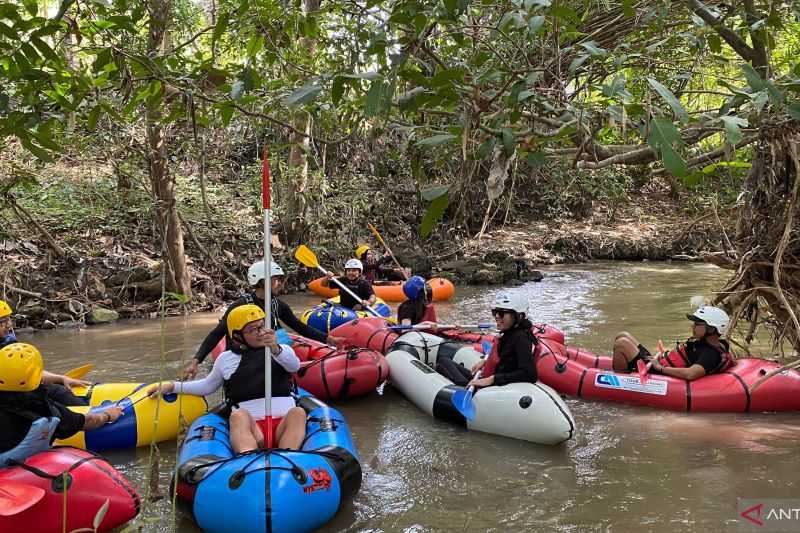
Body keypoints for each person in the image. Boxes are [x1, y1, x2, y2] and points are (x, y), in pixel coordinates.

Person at [150, 305, 306, 452]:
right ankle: (248, 458)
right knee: (238, 415)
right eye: (253, 330)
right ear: (237, 336)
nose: (260, 332)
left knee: (298, 412)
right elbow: (207, 386)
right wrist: (172, 386)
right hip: (252, 428)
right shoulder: (227, 359)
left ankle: (288, 457)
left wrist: (275, 349)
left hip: (283, 426)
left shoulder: (281, 351)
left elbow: (294, 366)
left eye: (262, 326)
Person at [184, 261, 343, 379]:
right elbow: (216, 334)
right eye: (276, 279)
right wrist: (196, 361)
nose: (280, 283)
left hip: (271, 349)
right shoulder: (240, 306)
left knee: (282, 338)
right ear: (261, 281)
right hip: (247, 355)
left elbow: (298, 326)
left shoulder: (278, 305)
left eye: (280, 279)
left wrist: (328, 338)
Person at [0, 343, 123, 465]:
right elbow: (87, 421)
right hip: (17, 469)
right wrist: (107, 415)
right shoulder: (48, 410)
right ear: (39, 378)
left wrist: (61, 378)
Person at [435, 293, 537, 388]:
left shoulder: (521, 338)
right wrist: (485, 362)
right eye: (495, 312)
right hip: (491, 377)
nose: (496, 316)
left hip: (492, 388)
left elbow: (529, 374)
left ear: (519, 316)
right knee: (443, 360)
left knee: (442, 364)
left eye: (501, 313)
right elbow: (508, 359)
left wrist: (492, 379)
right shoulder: (511, 333)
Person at [0, 299, 89, 406]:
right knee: (59, 392)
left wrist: (61, 378)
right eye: (3, 321)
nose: (9, 325)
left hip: (18, 391)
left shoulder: (8, 343)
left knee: (60, 391)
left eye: (9, 319)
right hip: (11, 398)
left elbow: (28, 373)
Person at [612, 305, 733, 381]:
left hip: (655, 369)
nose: (693, 326)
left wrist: (660, 368)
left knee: (621, 344)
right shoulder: (715, 343)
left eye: (697, 324)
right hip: (658, 362)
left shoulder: (710, 354)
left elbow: (690, 374)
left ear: (711, 329)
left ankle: (620, 381)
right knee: (623, 335)